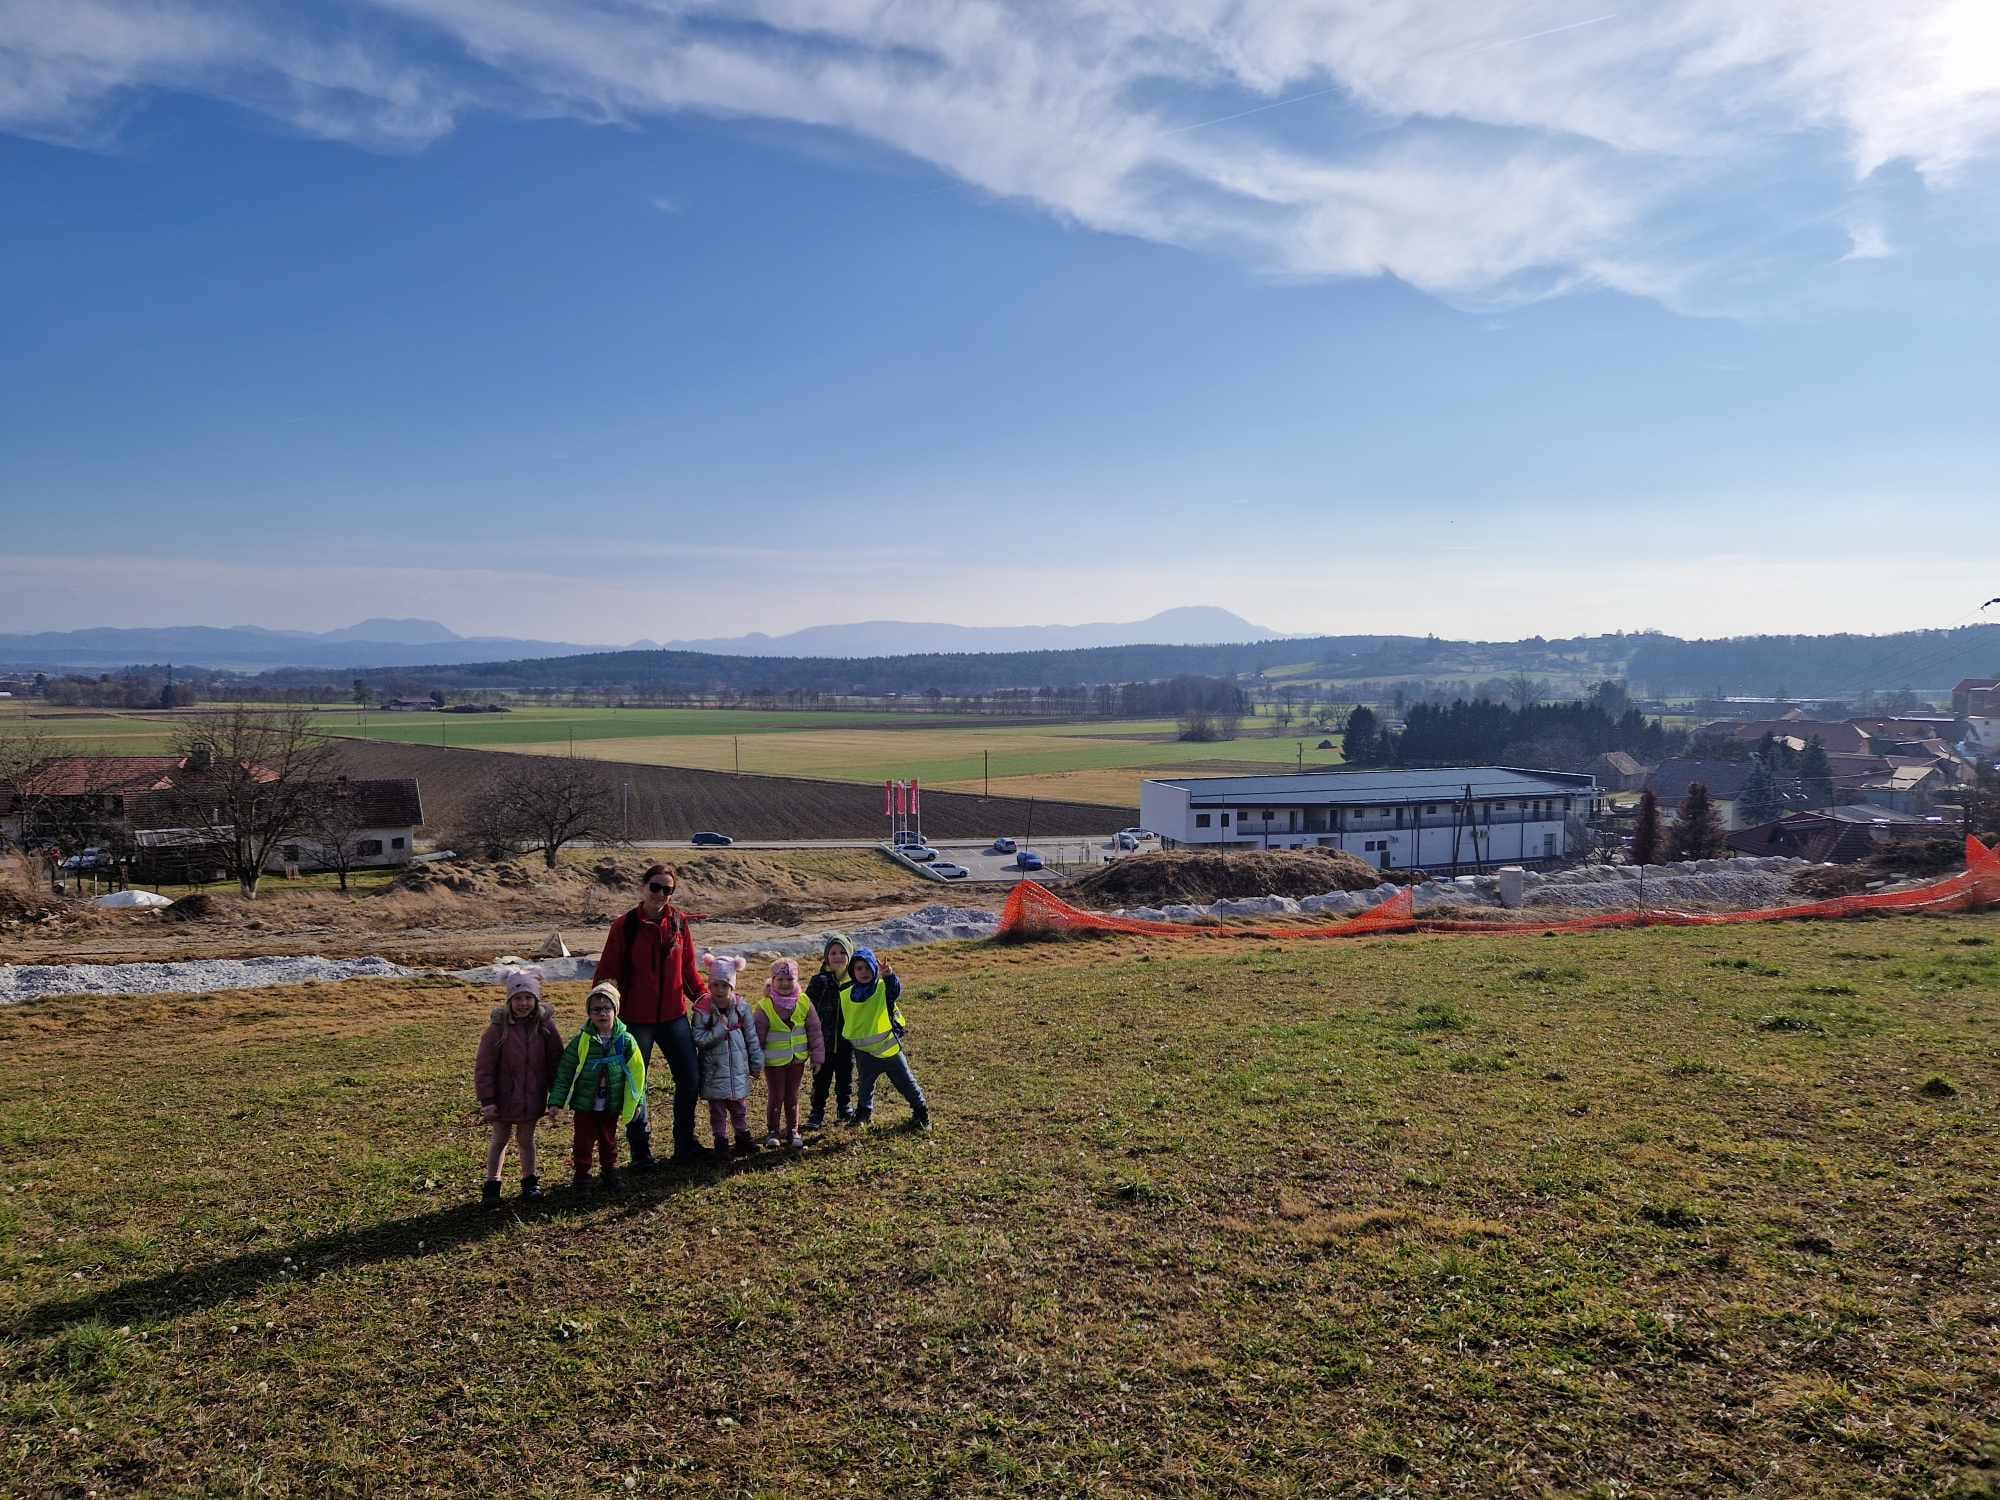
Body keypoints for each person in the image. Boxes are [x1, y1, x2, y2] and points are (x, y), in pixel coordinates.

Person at [592, 862, 708, 1169]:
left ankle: (685, 1144)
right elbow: (607, 972)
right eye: (655, 887)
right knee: (636, 1085)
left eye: (667, 890)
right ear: (643, 887)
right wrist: (603, 1011)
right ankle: (641, 1153)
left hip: (673, 1016)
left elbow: (688, 971)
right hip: (635, 1020)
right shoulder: (624, 926)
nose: (660, 894)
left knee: (690, 1078)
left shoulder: (680, 923)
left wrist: (704, 997)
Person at [473, 966, 564, 1207]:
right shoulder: (496, 1030)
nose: (523, 1003)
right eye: (518, 998)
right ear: (509, 1000)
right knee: (500, 1138)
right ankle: (492, 1184)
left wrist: (556, 1097)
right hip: (503, 1098)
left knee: (526, 1139)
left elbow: (557, 1064)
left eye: (528, 998)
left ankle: (529, 1182)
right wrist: (488, 1101)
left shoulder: (546, 1028)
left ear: (536, 1000)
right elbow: (484, 1068)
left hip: (532, 1097)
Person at [546, 982, 646, 1193]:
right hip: (585, 1104)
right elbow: (566, 1071)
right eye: (596, 1009)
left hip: (611, 1103)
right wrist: (556, 1101)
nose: (602, 1014)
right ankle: (582, 1177)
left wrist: (638, 1102)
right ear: (589, 1013)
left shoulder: (626, 1041)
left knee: (608, 1141)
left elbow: (638, 1075)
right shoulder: (582, 1041)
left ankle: (610, 1172)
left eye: (606, 1008)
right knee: (582, 1142)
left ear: (615, 1011)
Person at [842, 946, 931, 1131]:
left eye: (867, 968)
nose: (863, 972)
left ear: (875, 969)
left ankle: (921, 1113)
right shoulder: (845, 994)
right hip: (864, 1052)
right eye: (859, 968)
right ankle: (863, 1114)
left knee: (906, 1082)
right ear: (852, 971)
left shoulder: (882, 987)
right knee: (865, 1085)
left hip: (889, 1050)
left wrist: (889, 976)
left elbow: (895, 991)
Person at [692, 954, 763, 1156]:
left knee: (739, 1107)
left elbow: (751, 1037)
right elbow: (698, 1038)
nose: (719, 990)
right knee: (718, 1111)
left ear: (732, 986)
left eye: (725, 985)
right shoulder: (703, 1010)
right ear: (709, 986)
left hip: (737, 1070)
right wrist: (719, 1030)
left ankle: (742, 1138)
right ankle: (721, 1142)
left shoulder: (742, 1008)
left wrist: (756, 1063)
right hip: (714, 1071)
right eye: (715, 985)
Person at [753, 958, 825, 1149]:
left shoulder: (804, 1002)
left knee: (792, 1095)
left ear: (796, 980)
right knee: (776, 1096)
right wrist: (755, 1061)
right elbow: (757, 1037)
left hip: (797, 1060)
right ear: (772, 980)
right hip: (774, 1062)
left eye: (790, 979)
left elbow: (815, 1030)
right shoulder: (764, 1006)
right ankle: (773, 1132)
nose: (785, 984)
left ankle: (793, 1131)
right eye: (780, 979)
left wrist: (817, 1056)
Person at [804, 933, 854, 1130]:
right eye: (833, 952)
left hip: (847, 1041)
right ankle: (817, 1112)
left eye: (843, 952)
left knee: (845, 1077)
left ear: (850, 955)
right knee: (821, 1079)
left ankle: (844, 1107)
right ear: (826, 957)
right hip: (822, 1042)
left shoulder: (854, 981)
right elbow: (807, 1007)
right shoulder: (819, 981)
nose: (838, 956)